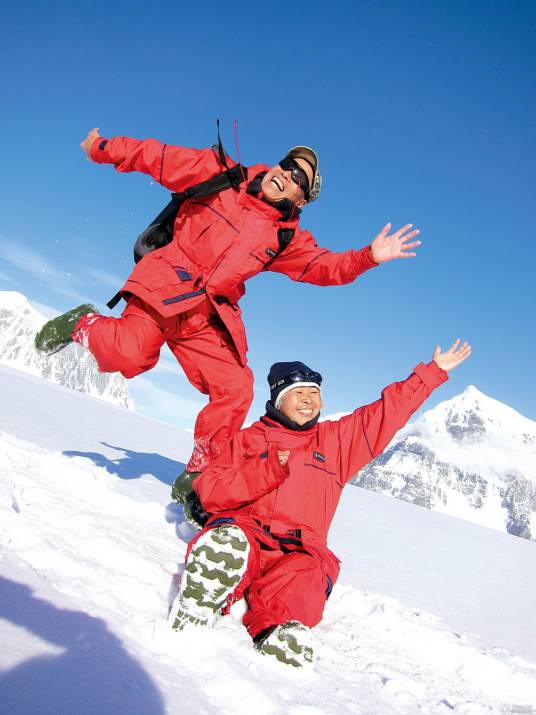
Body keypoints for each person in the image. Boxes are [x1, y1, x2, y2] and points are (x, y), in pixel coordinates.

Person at [35, 126, 421, 484]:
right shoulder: (220, 175)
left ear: (301, 199)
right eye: (287, 166)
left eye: (298, 179)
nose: (287, 175)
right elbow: (157, 156)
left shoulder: (286, 238)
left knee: (236, 388)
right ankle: (82, 323)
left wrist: (368, 256)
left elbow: (324, 267)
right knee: (127, 357)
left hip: (205, 317)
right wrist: (102, 148)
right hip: (162, 286)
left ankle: (199, 478)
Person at [169, 339, 471, 668]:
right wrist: (264, 471)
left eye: (314, 394)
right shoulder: (248, 440)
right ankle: (201, 603)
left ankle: (281, 631)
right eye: (299, 393)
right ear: (278, 399)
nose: (308, 401)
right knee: (227, 542)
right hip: (248, 534)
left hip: (301, 549)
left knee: (308, 578)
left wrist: (432, 373)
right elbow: (212, 491)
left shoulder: (337, 442)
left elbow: (386, 411)